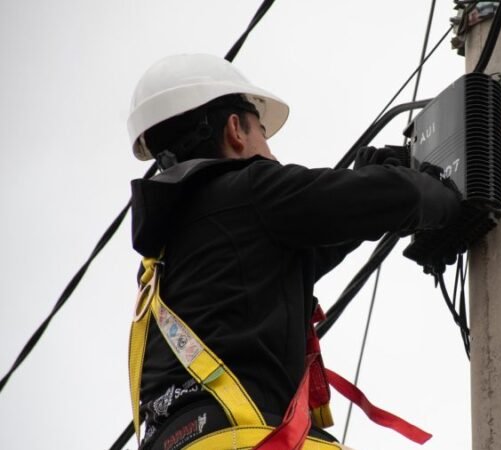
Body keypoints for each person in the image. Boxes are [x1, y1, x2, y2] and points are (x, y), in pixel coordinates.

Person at [126, 53, 461, 449]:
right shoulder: (251, 189)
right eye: (262, 131)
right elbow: (400, 196)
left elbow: (303, 250)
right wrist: (454, 194)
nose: (269, 150)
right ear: (236, 129)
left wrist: (366, 187)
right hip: (247, 438)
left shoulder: (166, 261)